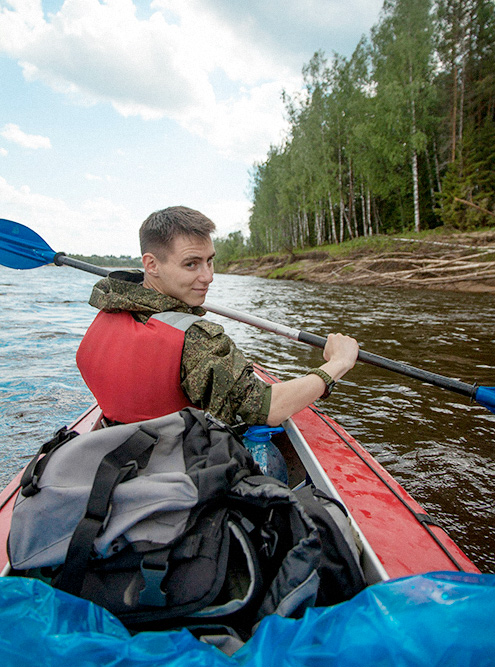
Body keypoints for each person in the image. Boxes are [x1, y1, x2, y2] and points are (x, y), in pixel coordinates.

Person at [76, 206, 359, 427]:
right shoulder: (197, 340)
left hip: (119, 447)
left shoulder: (110, 306)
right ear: (152, 265)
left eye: (209, 260)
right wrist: (338, 363)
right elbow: (271, 407)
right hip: (180, 464)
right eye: (191, 264)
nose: (208, 276)